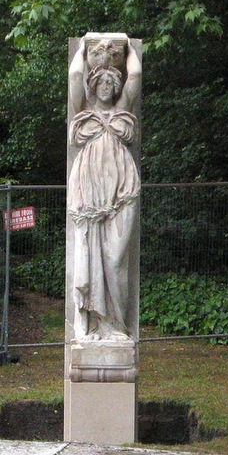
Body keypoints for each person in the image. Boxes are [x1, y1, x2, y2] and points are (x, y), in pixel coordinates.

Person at [67, 37, 141, 341]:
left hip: (122, 193)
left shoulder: (122, 110)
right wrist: (84, 49)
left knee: (116, 258)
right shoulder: (83, 113)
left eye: (112, 84)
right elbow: (74, 76)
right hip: (89, 195)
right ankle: (95, 324)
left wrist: (131, 51)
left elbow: (134, 77)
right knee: (90, 258)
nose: (108, 88)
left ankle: (115, 324)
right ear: (94, 86)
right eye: (102, 84)